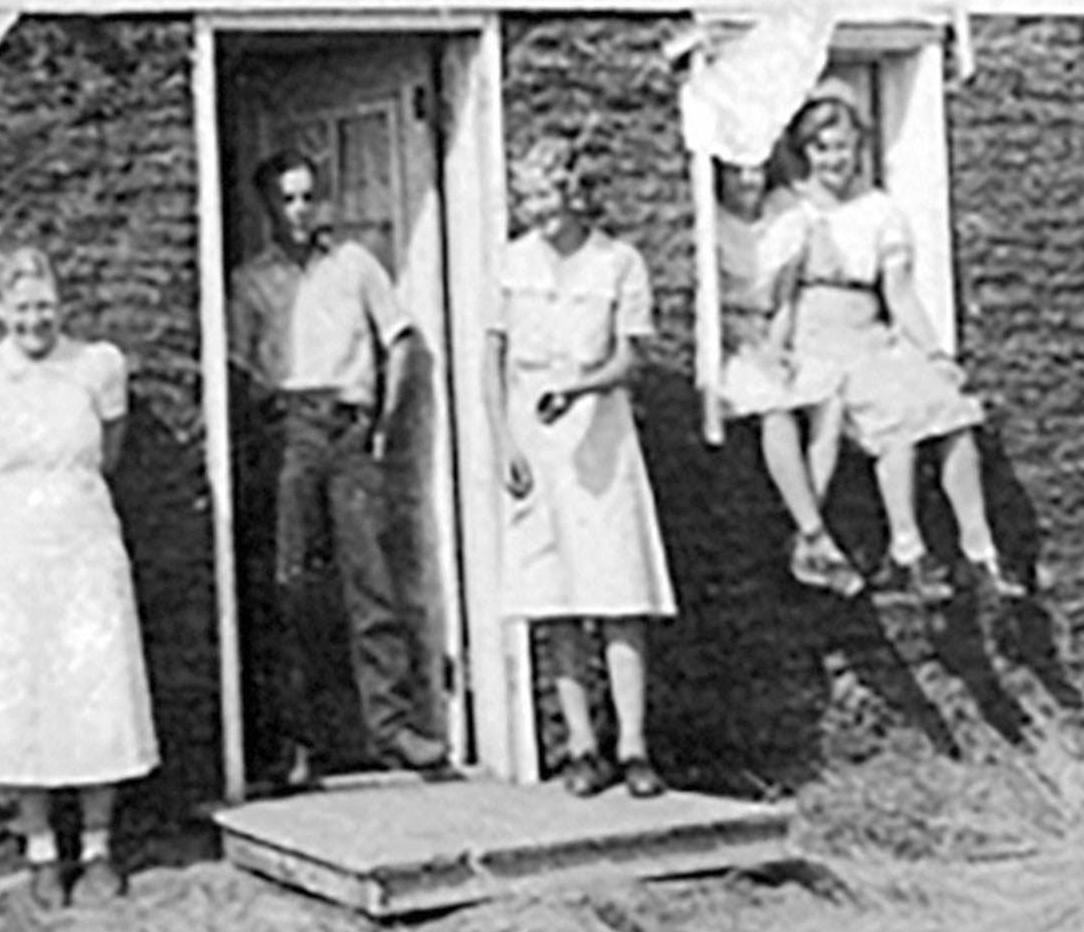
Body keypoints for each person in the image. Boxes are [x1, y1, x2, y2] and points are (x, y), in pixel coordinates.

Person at [227, 149, 447, 783]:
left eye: (308, 197)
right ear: (268, 206)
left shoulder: (355, 265)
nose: (299, 211)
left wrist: (385, 421)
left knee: (371, 580)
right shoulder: (252, 281)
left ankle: (393, 729)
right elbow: (241, 371)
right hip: (292, 430)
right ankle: (298, 744)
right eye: (287, 199)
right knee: (292, 588)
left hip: (351, 431)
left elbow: (402, 340)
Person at [0, 245, 159, 910]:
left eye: (45, 304)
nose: (35, 319)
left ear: (61, 304)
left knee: (93, 681)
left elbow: (111, 450)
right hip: (15, 542)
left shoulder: (95, 366)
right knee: (22, 686)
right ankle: (41, 854)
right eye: (21, 307)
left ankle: (98, 849)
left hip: (83, 536)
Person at [768, 88, 1022, 602]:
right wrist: (776, 353)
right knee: (894, 416)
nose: (834, 159)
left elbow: (900, 295)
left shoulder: (881, 210)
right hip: (819, 342)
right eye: (822, 148)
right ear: (805, 152)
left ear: (860, 147)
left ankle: (980, 551)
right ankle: (908, 550)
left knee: (950, 409)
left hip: (871, 336)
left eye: (843, 146)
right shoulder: (790, 207)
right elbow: (783, 295)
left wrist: (933, 353)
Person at [488, 136, 675, 798]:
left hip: (599, 438)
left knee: (618, 593)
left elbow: (631, 360)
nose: (537, 208)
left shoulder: (617, 262)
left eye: (546, 193)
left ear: (575, 190)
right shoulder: (512, 263)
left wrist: (584, 388)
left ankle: (633, 747)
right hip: (532, 435)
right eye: (526, 196)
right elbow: (493, 359)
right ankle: (581, 747)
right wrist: (503, 445)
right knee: (554, 596)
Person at [709, 157, 861, 596]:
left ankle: (805, 536)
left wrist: (776, 347)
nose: (747, 182)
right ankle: (815, 535)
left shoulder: (785, 218)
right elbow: (712, 304)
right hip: (729, 344)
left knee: (829, 397)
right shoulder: (714, 225)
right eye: (737, 172)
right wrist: (753, 352)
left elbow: (786, 297)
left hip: (769, 335)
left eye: (755, 171)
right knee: (773, 407)